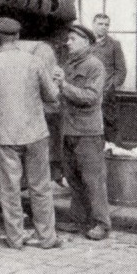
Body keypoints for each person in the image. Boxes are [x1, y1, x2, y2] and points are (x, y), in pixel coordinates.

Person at [0, 17, 62, 250]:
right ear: (18, 37)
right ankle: (47, 238)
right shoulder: (35, 62)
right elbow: (52, 96)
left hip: (4, 136)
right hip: (36, 133)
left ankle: (16, 239)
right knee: (40, 188)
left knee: (10, 190)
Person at [53, 23, 111, 240]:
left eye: (73, 40)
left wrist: (63, 85)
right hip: (69, 129)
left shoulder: (95, 66)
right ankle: (79, 220)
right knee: (74, 178)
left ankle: (102, 224)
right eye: (68, 39)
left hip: (88, 131)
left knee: (93, 180)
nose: (68, 43)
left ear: (86, 42)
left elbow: (90, 97)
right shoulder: (70, 64)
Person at [89, 13, 127, 145]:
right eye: (100, 24)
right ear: (93, 24)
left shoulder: (114, 45)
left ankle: (115, 157)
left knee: (110, 126)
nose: (104, 27)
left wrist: (111, 87)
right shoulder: (86, 43)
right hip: (87, 93)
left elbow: (121, 71)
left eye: (106, 25)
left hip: (106, 95)